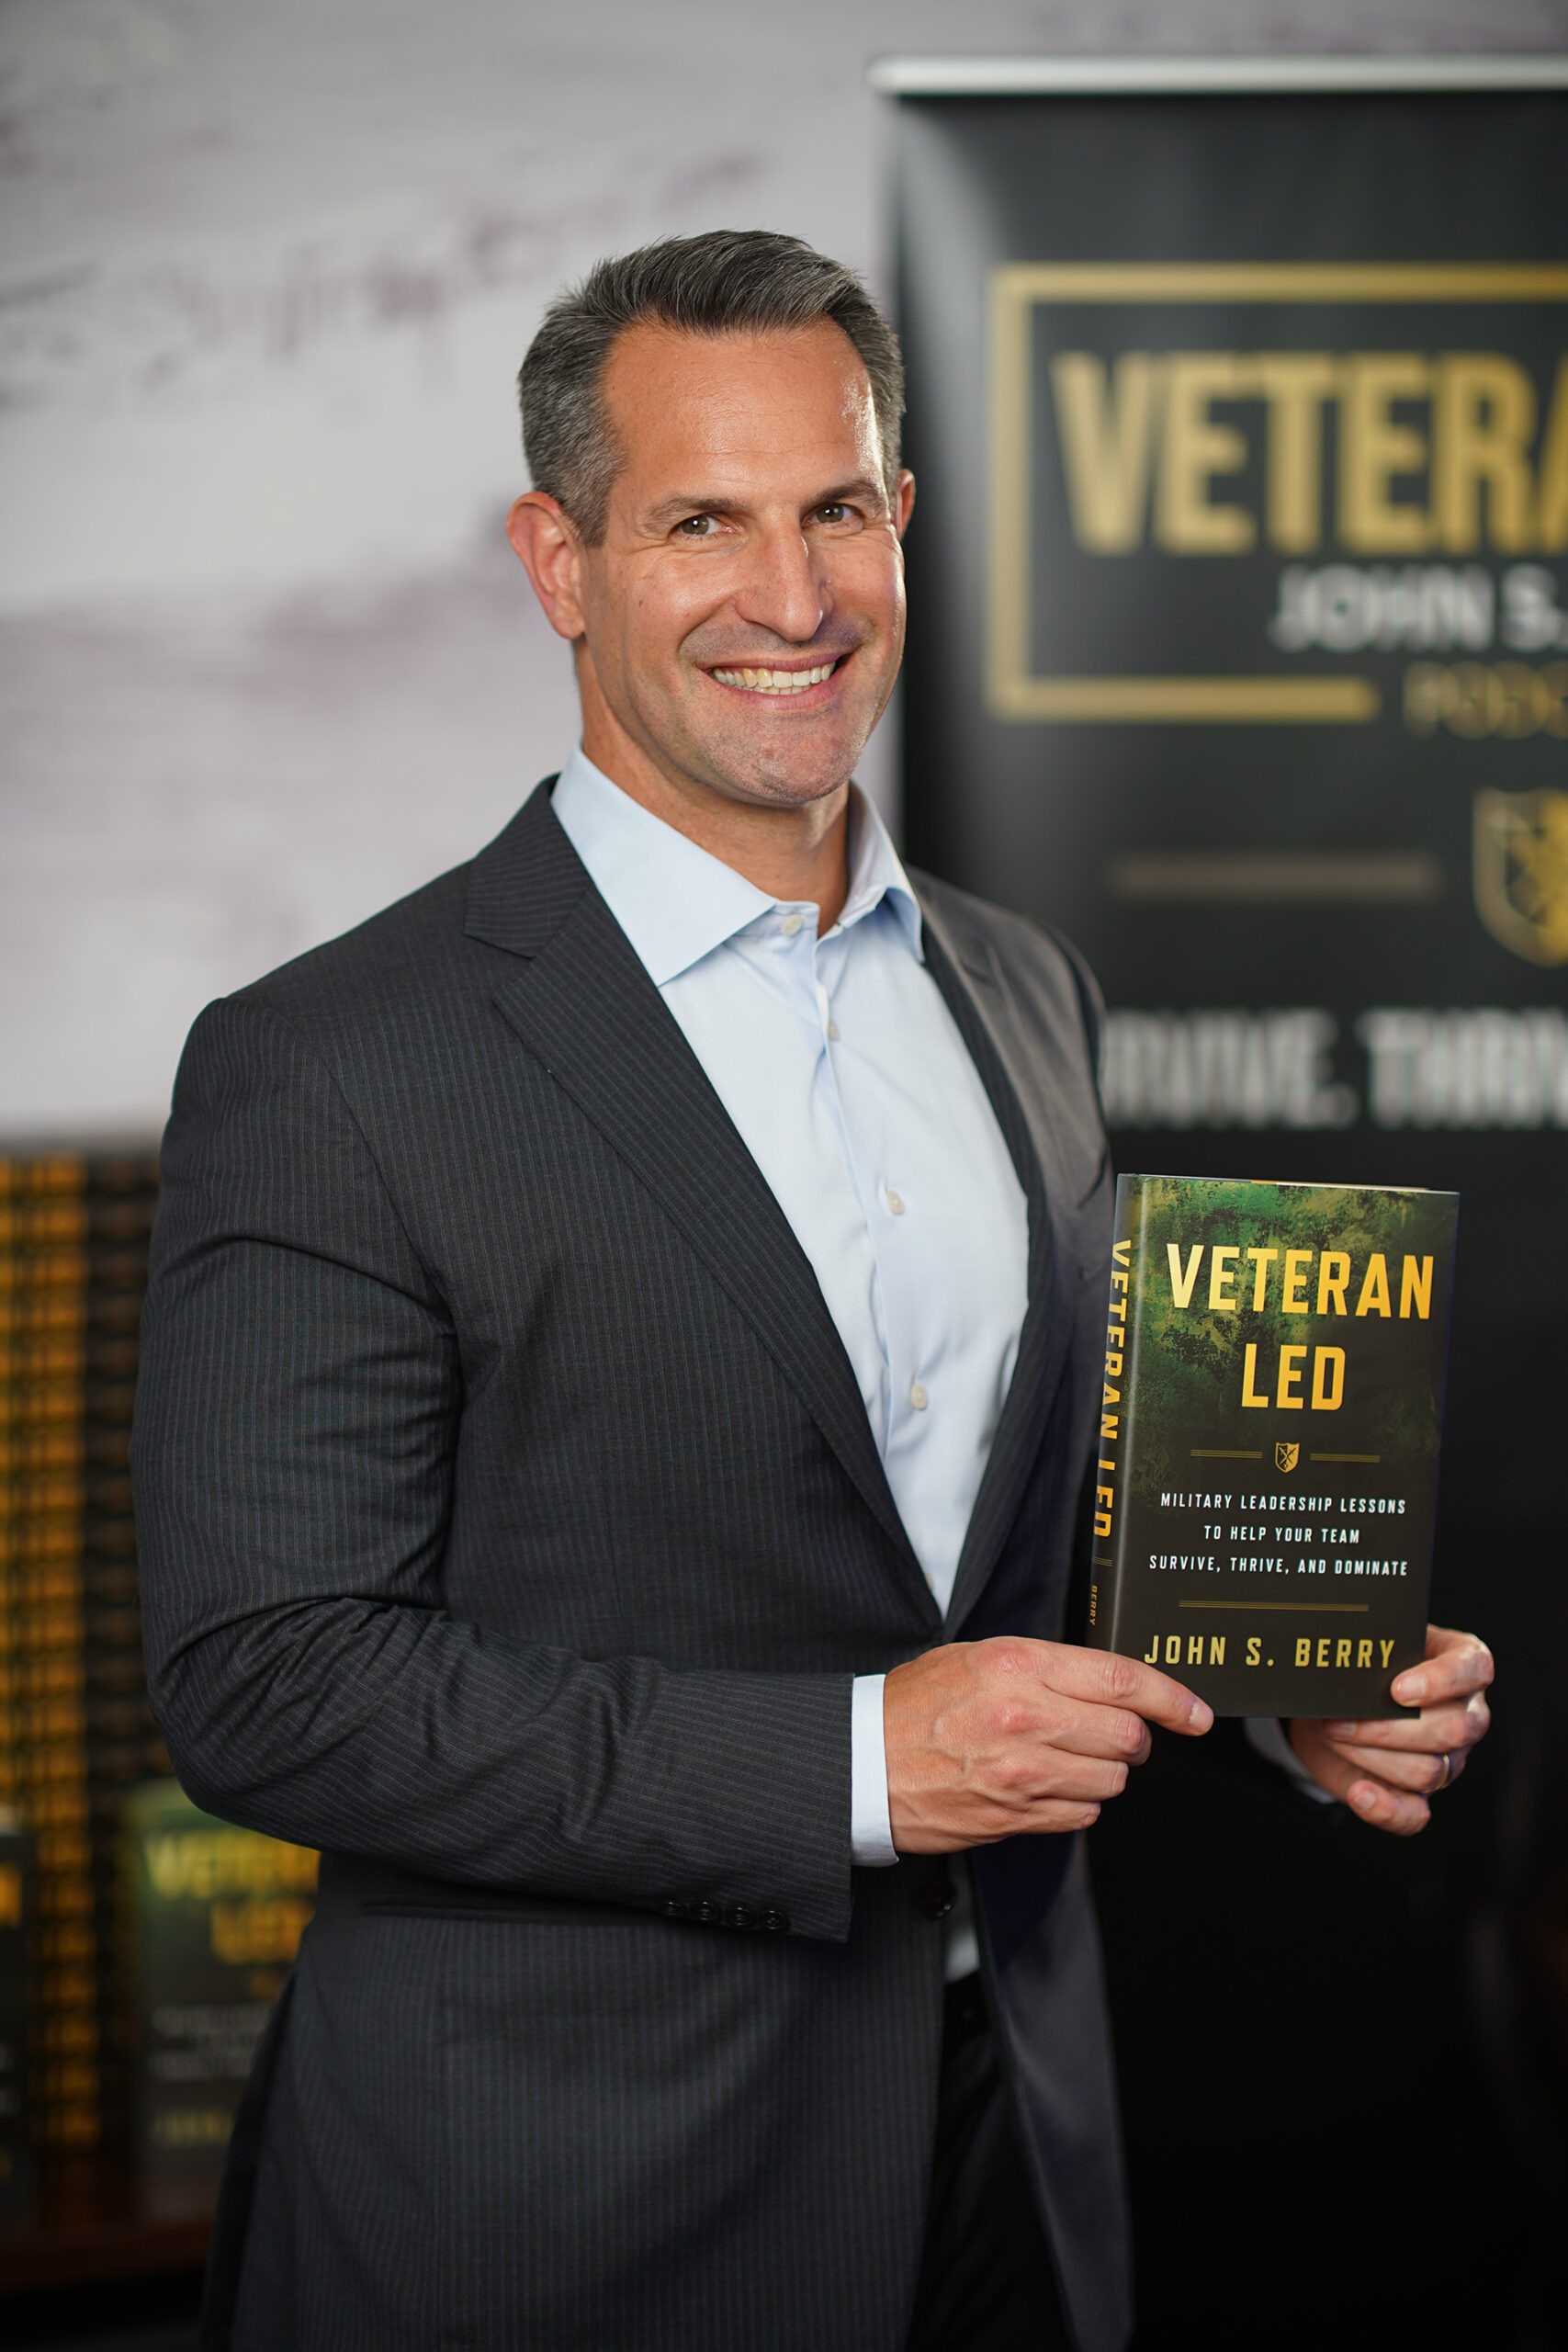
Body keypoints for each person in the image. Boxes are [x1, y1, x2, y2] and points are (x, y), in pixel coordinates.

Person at [130, 231, 1494, 2352]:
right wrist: (855, 1767)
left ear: (901, 523)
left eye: (832, 508)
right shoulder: (334, 1062)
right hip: (560, 2202)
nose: (790, 597)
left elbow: (999, 1550)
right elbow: (268, 1677)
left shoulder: (1022, 990)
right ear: (557, 558)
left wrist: (1261, 1689)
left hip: (1004, 2149)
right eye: (700, 521)